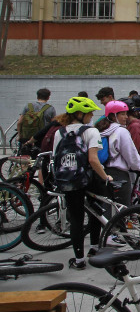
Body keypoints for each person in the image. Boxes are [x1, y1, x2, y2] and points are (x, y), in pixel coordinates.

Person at [52, 97, 112, 270]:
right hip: (90, 178)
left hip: (69, 180)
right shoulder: (91, 131)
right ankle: (94, 249)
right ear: (80, 114)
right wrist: (105, 177)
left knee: (77, 219)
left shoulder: (59, 132)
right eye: (90, 112)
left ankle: (78, 260)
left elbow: (56, 157)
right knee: (95, 213)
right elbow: (94, 160)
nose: (92, 115)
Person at [95, 100, 140, 215]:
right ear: (113, 116)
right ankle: (117, 232)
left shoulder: (101, 130)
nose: (126, 117)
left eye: (126, 114)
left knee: (106, 208)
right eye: (122, 114)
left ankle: (107, 232)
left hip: (101, 173)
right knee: (121, 211)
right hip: (119, 175)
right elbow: (132, 156)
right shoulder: (120, 131)